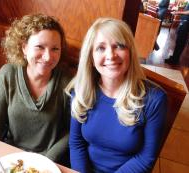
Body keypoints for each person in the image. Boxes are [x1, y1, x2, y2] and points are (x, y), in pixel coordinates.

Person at [65, 18, 167, 173]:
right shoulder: (81, 90)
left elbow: (146, 158)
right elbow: (76, 143)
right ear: (91, 58)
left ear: (130, 53)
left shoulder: (155, 99)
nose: (111, 55)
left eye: (119, 46)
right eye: (100, 48)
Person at [0, 14, 71, 164]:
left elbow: (71, 132)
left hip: (49, 161)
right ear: (24, 47)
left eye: (55, 48)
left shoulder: (66, 82)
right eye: (40, 47)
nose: (48, 56)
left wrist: (47, 161)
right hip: (10, 157)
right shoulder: (8, 74)